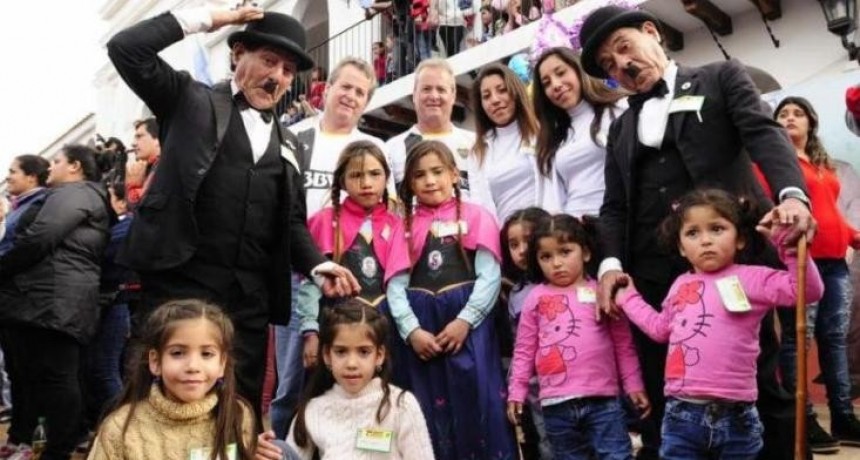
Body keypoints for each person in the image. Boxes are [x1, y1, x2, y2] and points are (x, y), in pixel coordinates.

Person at [577, 5, 815, 459]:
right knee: (664, 387)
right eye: (609, 65)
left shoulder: (720, 77)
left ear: (652, 31)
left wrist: (792, 195)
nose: (622, 65)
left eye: (624, 47)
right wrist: (609, 266)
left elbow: (764, 134)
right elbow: (614, 205)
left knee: (758, 380)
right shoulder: (621, 129)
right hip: (653, 273)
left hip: (732, 260)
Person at [107, 4, 359, 425]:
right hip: (180, 285)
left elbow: (291, 223)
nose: (278, 76)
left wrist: (318, 265)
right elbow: (126, 48)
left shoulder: (290, 143)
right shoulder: (190, 100)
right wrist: (213, 18)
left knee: (238, 414)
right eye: (268, 60)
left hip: (249, 303)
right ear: (238, 54)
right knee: (161, 406)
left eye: (287, 70)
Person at [614, 189, 824, 459]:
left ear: (740, 239)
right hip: (681, 415)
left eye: (717, 229)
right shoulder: (680, 285)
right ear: (681, 246)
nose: (705, 240)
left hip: (737, 417)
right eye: (693, 233)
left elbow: (807, 291)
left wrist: (790, 251)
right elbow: (659, 328)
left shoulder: (753, 279)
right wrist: (628, 297)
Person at [269, 57, 386, 438]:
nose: (351, 96)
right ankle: (285, 450)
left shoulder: (373, 148)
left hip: (354, 279)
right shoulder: (293, 138)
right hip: (298, 274)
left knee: (355, 379)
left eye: (360, 92)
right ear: (328, 88)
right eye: (345, 87)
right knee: (292, 381)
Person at [384, 140, 516, 459]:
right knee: (426, 412)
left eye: (437, 171)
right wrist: (412, 331)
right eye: (419, 175)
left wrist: (465, 321)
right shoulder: (404, 226)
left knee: (479, 401)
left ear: (455, 174)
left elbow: (490, 277)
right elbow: (395, 285)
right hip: (422, 337)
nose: (430, 181)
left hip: (469, 332)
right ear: (409, 183)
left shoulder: (478, 216)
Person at [0, 145, 111, 460]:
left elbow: (40, 237)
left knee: (57, 378)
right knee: (35, 377)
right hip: (46, 300)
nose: (50, 168)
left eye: (57, 161)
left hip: (57, 301)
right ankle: (32, 441)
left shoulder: (76, 194)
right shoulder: (73, 195)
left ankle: (58, 449)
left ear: (75, 167)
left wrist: (3, 267)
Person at [508, 213, 647, 459]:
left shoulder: (602, 293)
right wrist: (517, 391)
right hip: (555, 406)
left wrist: (633, 384)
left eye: (565, 252)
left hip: (603, 400)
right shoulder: (535, 298)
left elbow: (623, 344)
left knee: (616, 455)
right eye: (546, 257)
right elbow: (524, 350)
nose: (556, 263)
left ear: (585, 253)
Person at [772, 96, 860, 451]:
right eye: (783, 114)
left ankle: (842, 416)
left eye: (798, 113)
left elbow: (830, 214)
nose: (790, 118)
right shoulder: (775, 163)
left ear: (811, 122)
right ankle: (803, 420)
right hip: (801, 262)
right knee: (798, 341)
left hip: (836, 263)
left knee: (835, 340)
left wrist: (853, 236)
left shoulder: (822, 165)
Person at [255, 300, 434, 459]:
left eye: (363, 352)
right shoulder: (314, 409)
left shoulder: (401, 405)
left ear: (379, 355)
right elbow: (291, 455)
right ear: (327, 355)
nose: (351, 364)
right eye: (341, 352)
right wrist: (262, 452)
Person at [87, 300, 255, 459]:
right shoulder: (120, 429)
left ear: (222, 363)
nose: (193, 366)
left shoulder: (237, 415)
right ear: (155, 361)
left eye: (206, 354)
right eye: (177, 353)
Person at [297, 141, 401, 368]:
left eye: (375, 174)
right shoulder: (324, 221)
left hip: (387, 331)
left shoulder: (398, 225)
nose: (367, 183)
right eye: (356, 175)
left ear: (386, 178)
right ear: (342, 181)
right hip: (334, 330)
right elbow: (310, 284)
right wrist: (310, 332)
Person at [532, 47, 626, 217]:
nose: (556, 85)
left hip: (617, 220)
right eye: (546, 83)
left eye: (561, 73)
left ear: (578, 70)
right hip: (572, 227)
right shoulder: (552, 139)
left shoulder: (619, 111)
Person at [0, 154, 50, 458]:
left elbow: (22, 250)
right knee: (17, 374)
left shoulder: (39, 206)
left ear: (31, 177)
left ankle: (32, 442)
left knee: (30, 376)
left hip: (25, 301)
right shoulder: (19, 207)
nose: (8, 176)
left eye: (13, 171)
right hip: (11, 301)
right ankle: (18, 436)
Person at [498, 207, 552, 459]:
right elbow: (520, 348)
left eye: (528, 241)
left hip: (579, 384)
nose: (521, 250)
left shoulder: (573, 283)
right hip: (537, 390)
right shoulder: (516, 294)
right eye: (513, 244)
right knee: (546, 444)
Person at [386, 59, 478, 199]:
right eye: (426, 89)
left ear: (453, 96)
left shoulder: (476, 144)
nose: (434, 96)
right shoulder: (392, 150)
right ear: (414, 95)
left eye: (441, 89)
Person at [470, 63, 547, 223]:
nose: (495, 100)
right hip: (504, 235)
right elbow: (480, 205)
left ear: (516, 92)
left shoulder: (542, 131)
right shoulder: (478, 151)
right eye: (486, 96)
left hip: (546, 229)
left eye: (502, 90)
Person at [125, 118, 161, 207]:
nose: (133, 143)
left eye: (139, 136)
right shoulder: (152, 166)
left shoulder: (163, 168)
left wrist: (133, 187)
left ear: (157, 139)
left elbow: (142, 209)